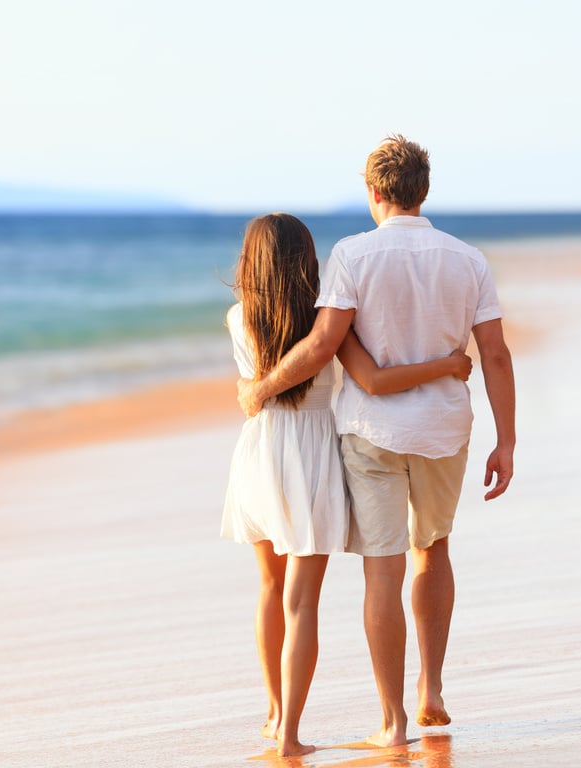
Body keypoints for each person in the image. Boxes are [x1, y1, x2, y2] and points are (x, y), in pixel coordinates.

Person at [237, 136, 517, 748]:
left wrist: (260, 390)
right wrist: (508, 442)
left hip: (371, 433)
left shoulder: (353, 255)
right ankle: (432, 688)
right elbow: (494, 352)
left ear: (373, 192)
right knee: (435, 548)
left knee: (381, 571)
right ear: (423, 190)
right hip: (444, 430)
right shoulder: (468, 259)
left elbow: (322, 345)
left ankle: (392, 721)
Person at [221, 212, 473, 757]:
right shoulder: (327, 322)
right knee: (301, 601)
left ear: (251, 262)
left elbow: (249, 385)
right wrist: (449, 364)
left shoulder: (238, 316)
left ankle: (272, 711)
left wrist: (256, 390)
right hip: (311, 456)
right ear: (305, 259)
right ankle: (290, 732)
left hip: (259, 453)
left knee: (269, 587)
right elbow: (374, 380)